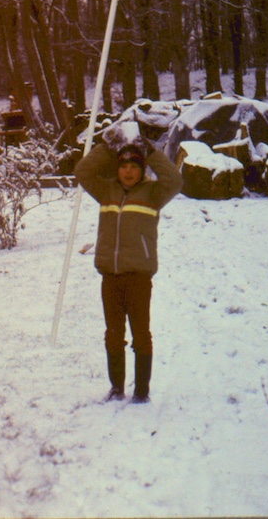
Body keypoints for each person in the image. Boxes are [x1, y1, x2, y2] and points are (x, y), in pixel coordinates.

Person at [74, 137, 183, 403]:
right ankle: (116, 388)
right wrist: (106, 147)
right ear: (117, 168)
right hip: (110, 276)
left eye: (134, 166)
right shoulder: (106, 190)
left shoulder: (154, 193)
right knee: (113, 334)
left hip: (138, 276)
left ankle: (142, 391)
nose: (128, 172)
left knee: (141, 334)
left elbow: (175, 180)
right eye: (123, 166)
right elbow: (82, 171)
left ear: (142, 168)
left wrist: (152, 152)